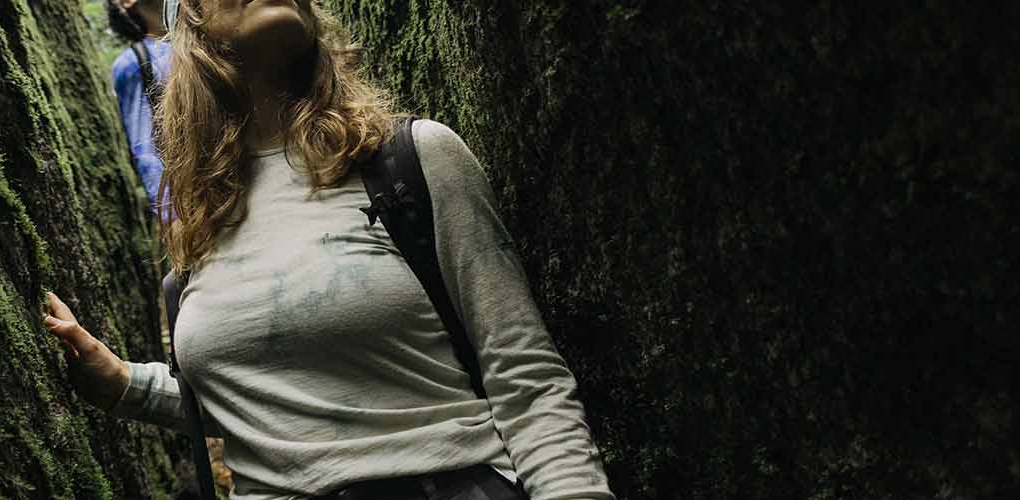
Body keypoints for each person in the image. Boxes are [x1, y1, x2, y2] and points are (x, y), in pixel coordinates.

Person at [44, 1, 615, 499]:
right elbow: (267, 396)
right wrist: (123, 383)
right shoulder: (200, 229)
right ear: (189, 25)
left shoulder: (410, 163)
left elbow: (525, 377)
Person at [106, 0, 172, 214]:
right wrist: (171, 215)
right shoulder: (132, 63)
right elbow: (146, 148)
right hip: (203, 195)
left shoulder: (210, 31)